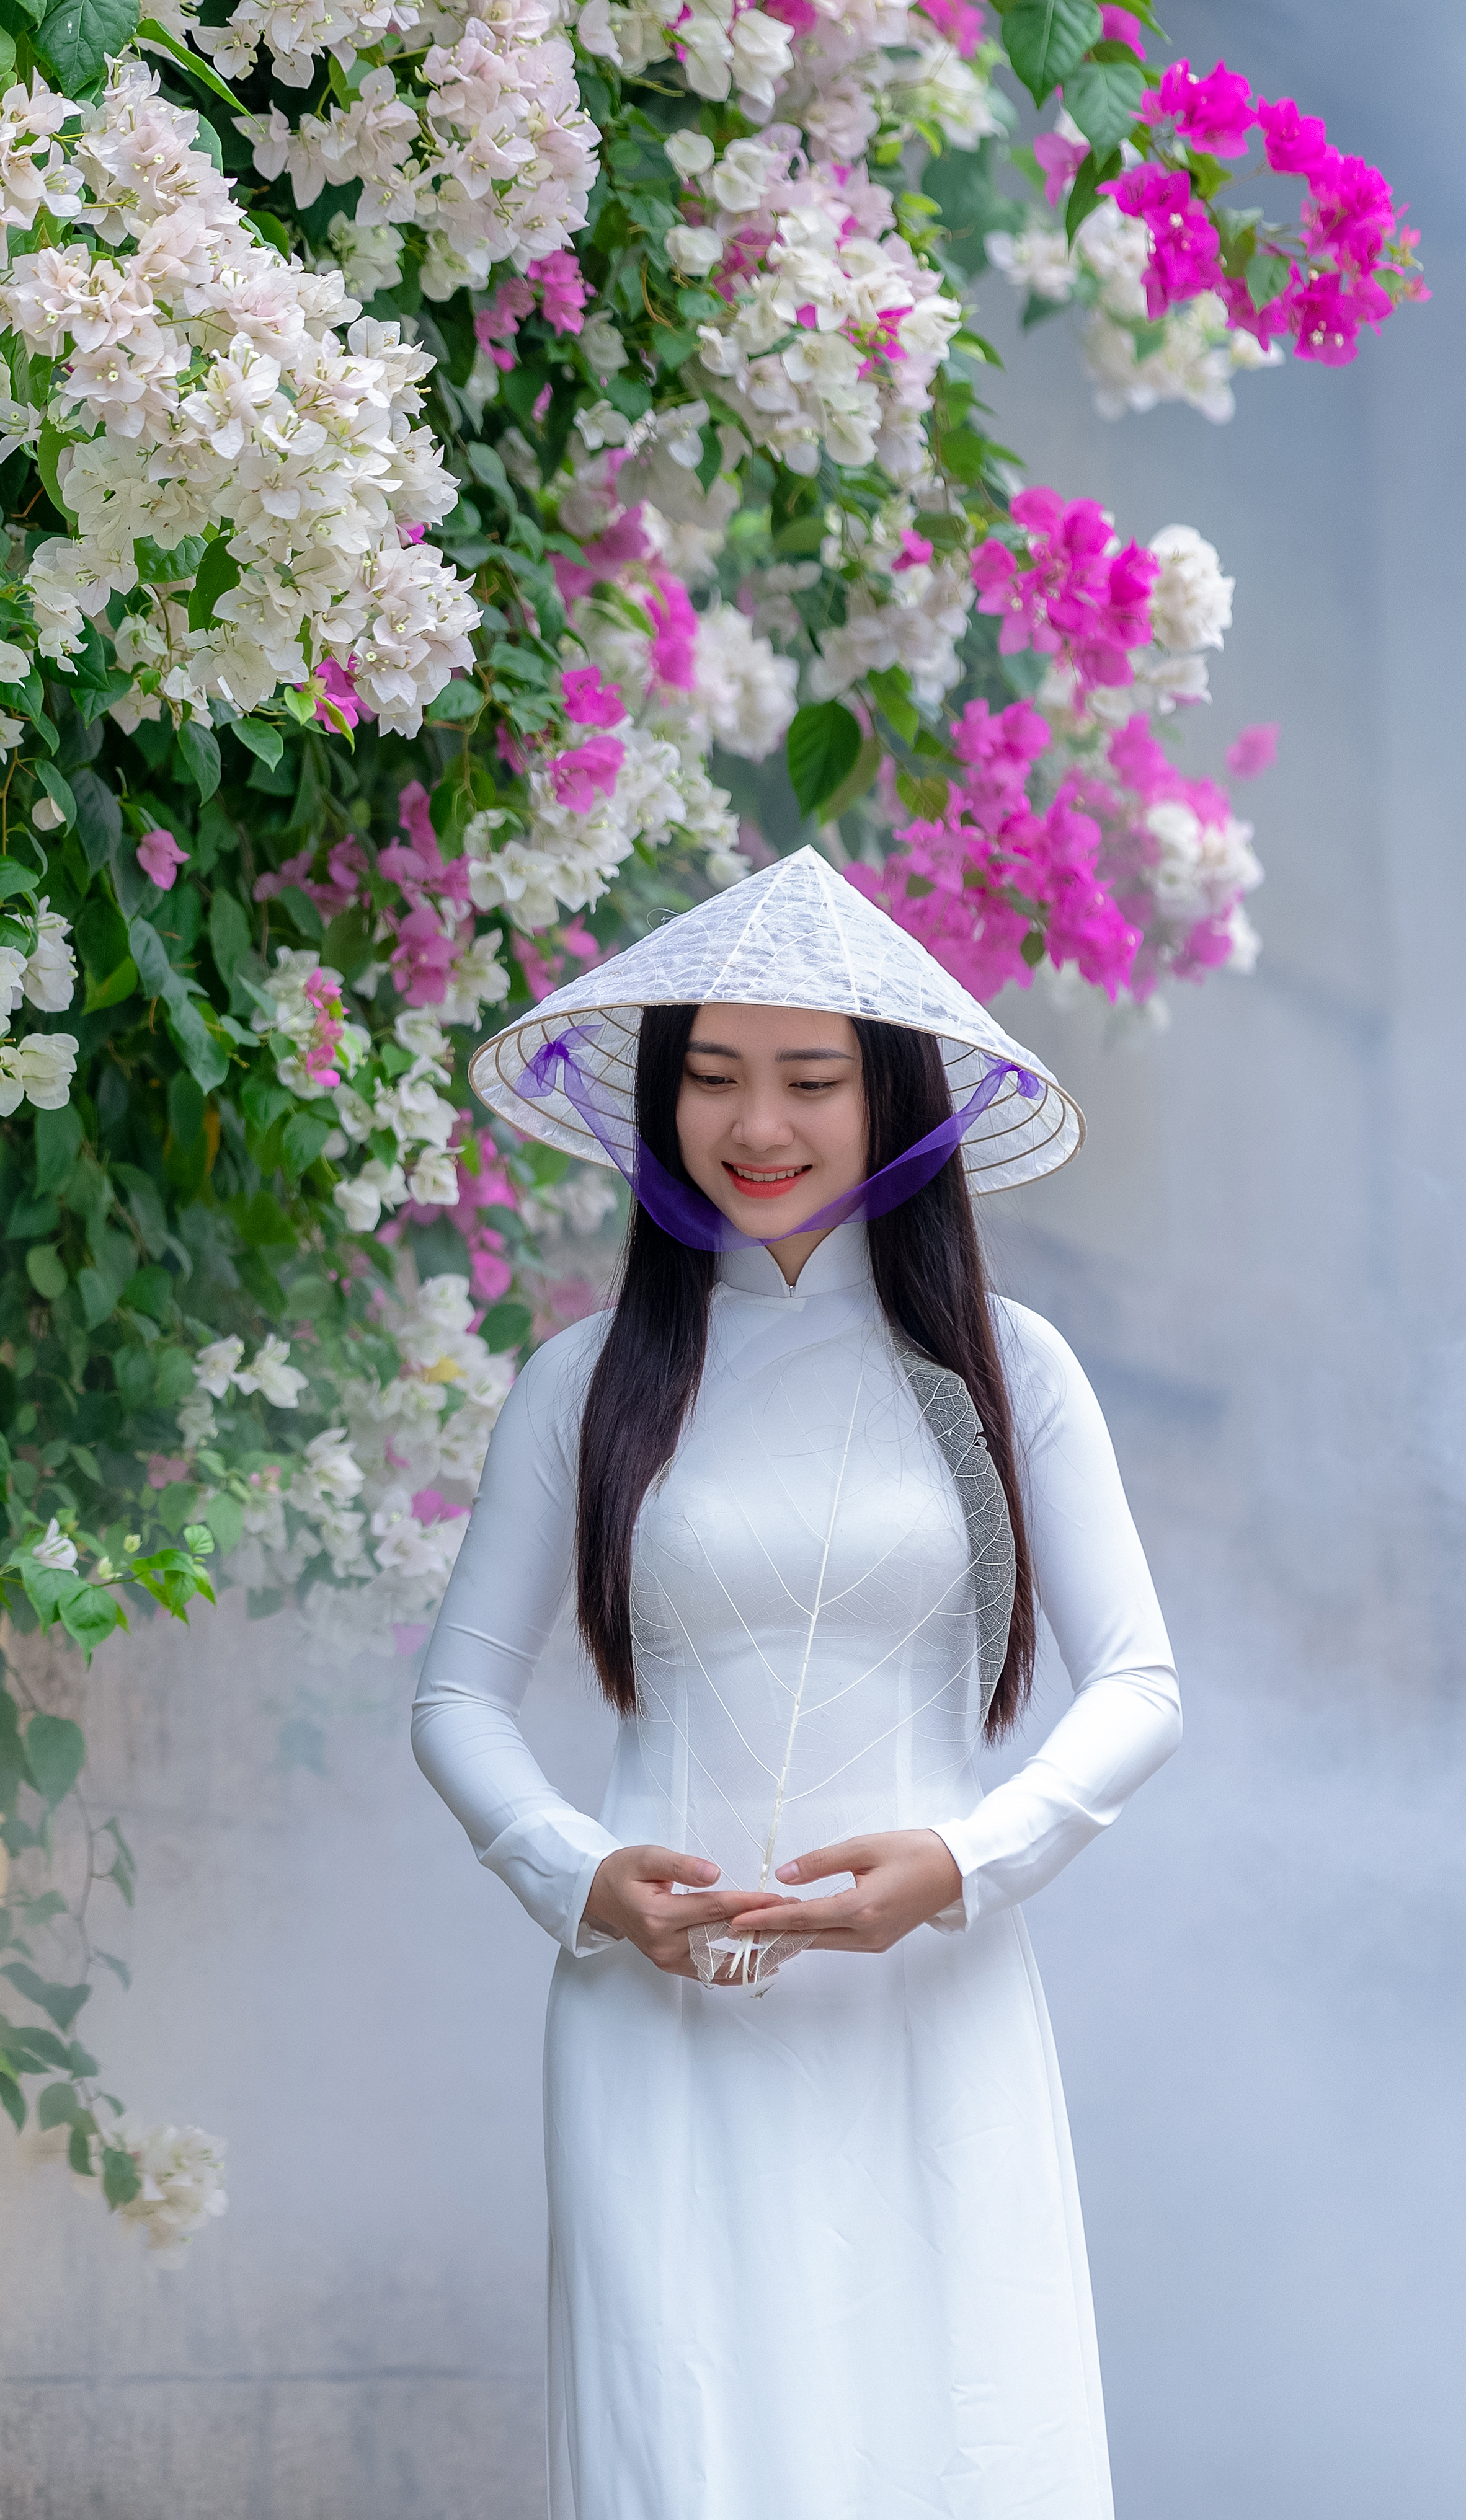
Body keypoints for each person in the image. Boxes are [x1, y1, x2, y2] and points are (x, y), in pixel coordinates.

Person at [413, 849, 1183, 2519]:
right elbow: (456, 1697)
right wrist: (584, 1880)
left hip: (929, 2006)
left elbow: (1138, 1683)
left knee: (951, 2441)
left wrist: (964, 1865)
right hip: (657, 2016)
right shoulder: (584, 1382)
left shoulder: (1003, 1372)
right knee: (683, 2452)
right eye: (710, 1077)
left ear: (890, 1095)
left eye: (809, 1081)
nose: (754, 1126)